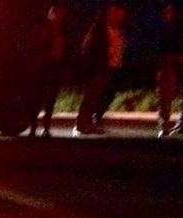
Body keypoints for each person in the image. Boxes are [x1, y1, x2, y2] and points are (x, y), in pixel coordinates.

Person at [74, 2, 129, 135]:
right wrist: (92, 66)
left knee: (102, 96)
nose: (121, 18)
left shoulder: (117, 30)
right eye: (118, 14)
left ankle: (91, 121)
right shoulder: (99, 30)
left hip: (111, 67)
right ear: (111, 13)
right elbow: (88, 49)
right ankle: (82, 124)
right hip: (98, 68)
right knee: (91, 96)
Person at [24, 4, 69, 137]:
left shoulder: (62, 32)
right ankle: (33, 127)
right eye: (56, 14)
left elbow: (64, 51)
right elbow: (35, 46)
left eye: (61, 14)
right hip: (43, 68)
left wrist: (64, 68)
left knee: (50, 101)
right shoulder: (42, 29)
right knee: (37, 99)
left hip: (55, 68)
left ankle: (46, 128)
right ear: (51, 14)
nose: (58, 17)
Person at [157, 3, 183, 136]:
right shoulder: (165, 29)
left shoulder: (176, 29)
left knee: (176, 96)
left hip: (175, 65)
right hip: (169, 66)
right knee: (166, 97)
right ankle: (165, 125)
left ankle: (180, 123)